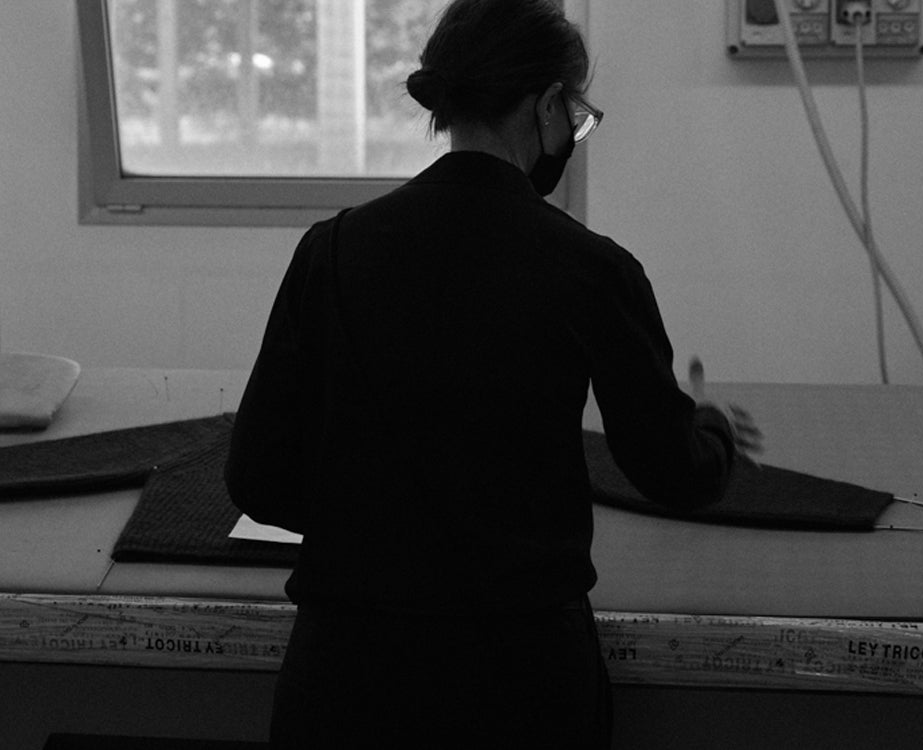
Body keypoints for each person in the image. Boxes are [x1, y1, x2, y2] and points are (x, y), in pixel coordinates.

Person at [225, 0, 761, 747]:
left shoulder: (332, 250)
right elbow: (672, 472)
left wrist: (379, 524)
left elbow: (258, 480)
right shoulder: (593, 269)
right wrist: (713, 432)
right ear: (546, 106)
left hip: (346, 674)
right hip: (520, 679)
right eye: (575, 117)